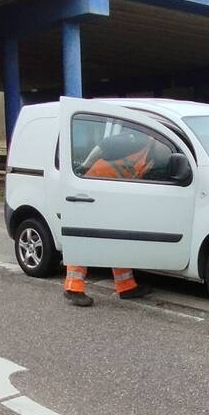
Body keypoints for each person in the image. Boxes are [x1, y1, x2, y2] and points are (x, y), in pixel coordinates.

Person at [63, 129, 168, 307]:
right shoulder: (137, 141)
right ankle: (73, 287)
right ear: (160, 141)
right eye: (167, 150)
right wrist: (83, 169)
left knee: (118, 239)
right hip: (93, 188)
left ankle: (126, 286)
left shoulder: (154, 158)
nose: (168, 155)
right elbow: (103, 147)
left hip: (112, 194)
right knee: (86, 240)